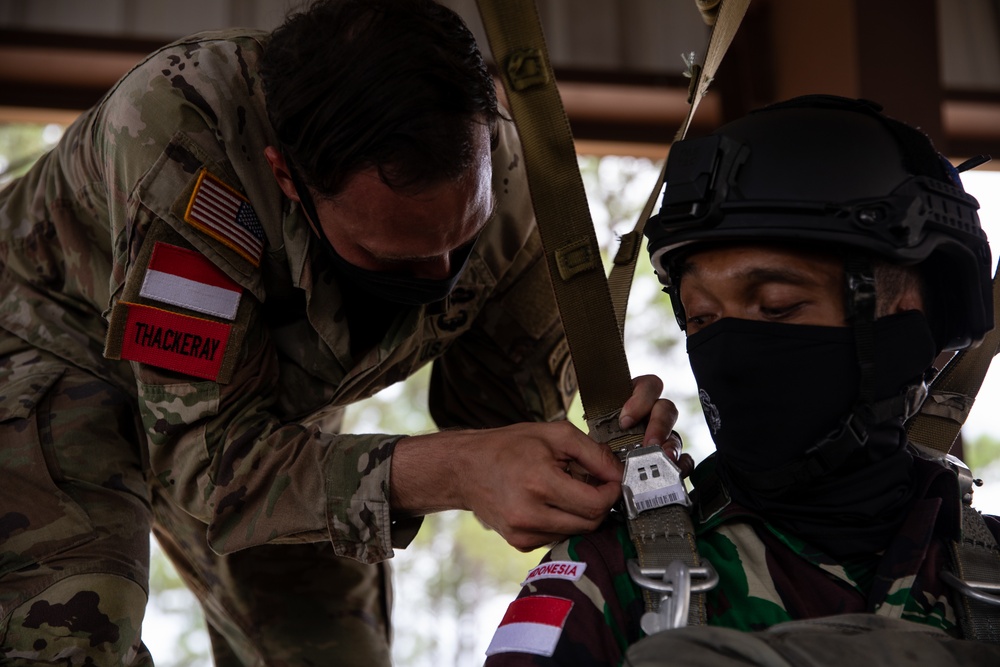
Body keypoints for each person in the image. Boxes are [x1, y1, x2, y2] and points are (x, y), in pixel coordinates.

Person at [0, 1, 677, 664]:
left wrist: (591, 458)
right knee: (74, 634)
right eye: (396, 257)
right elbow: (207, 466)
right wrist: (458, 469)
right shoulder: (181, 142)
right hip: (50, 344)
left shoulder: (513, 181)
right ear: (285, 176)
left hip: (260, 411)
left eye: (461, 239)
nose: (439, 273)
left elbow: (497, 418)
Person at [483, 94, 1000, 666]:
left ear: (914, 318)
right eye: (702, 317)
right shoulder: (612, 578)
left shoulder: (988, 567)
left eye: (777, 307)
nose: (730, 356)